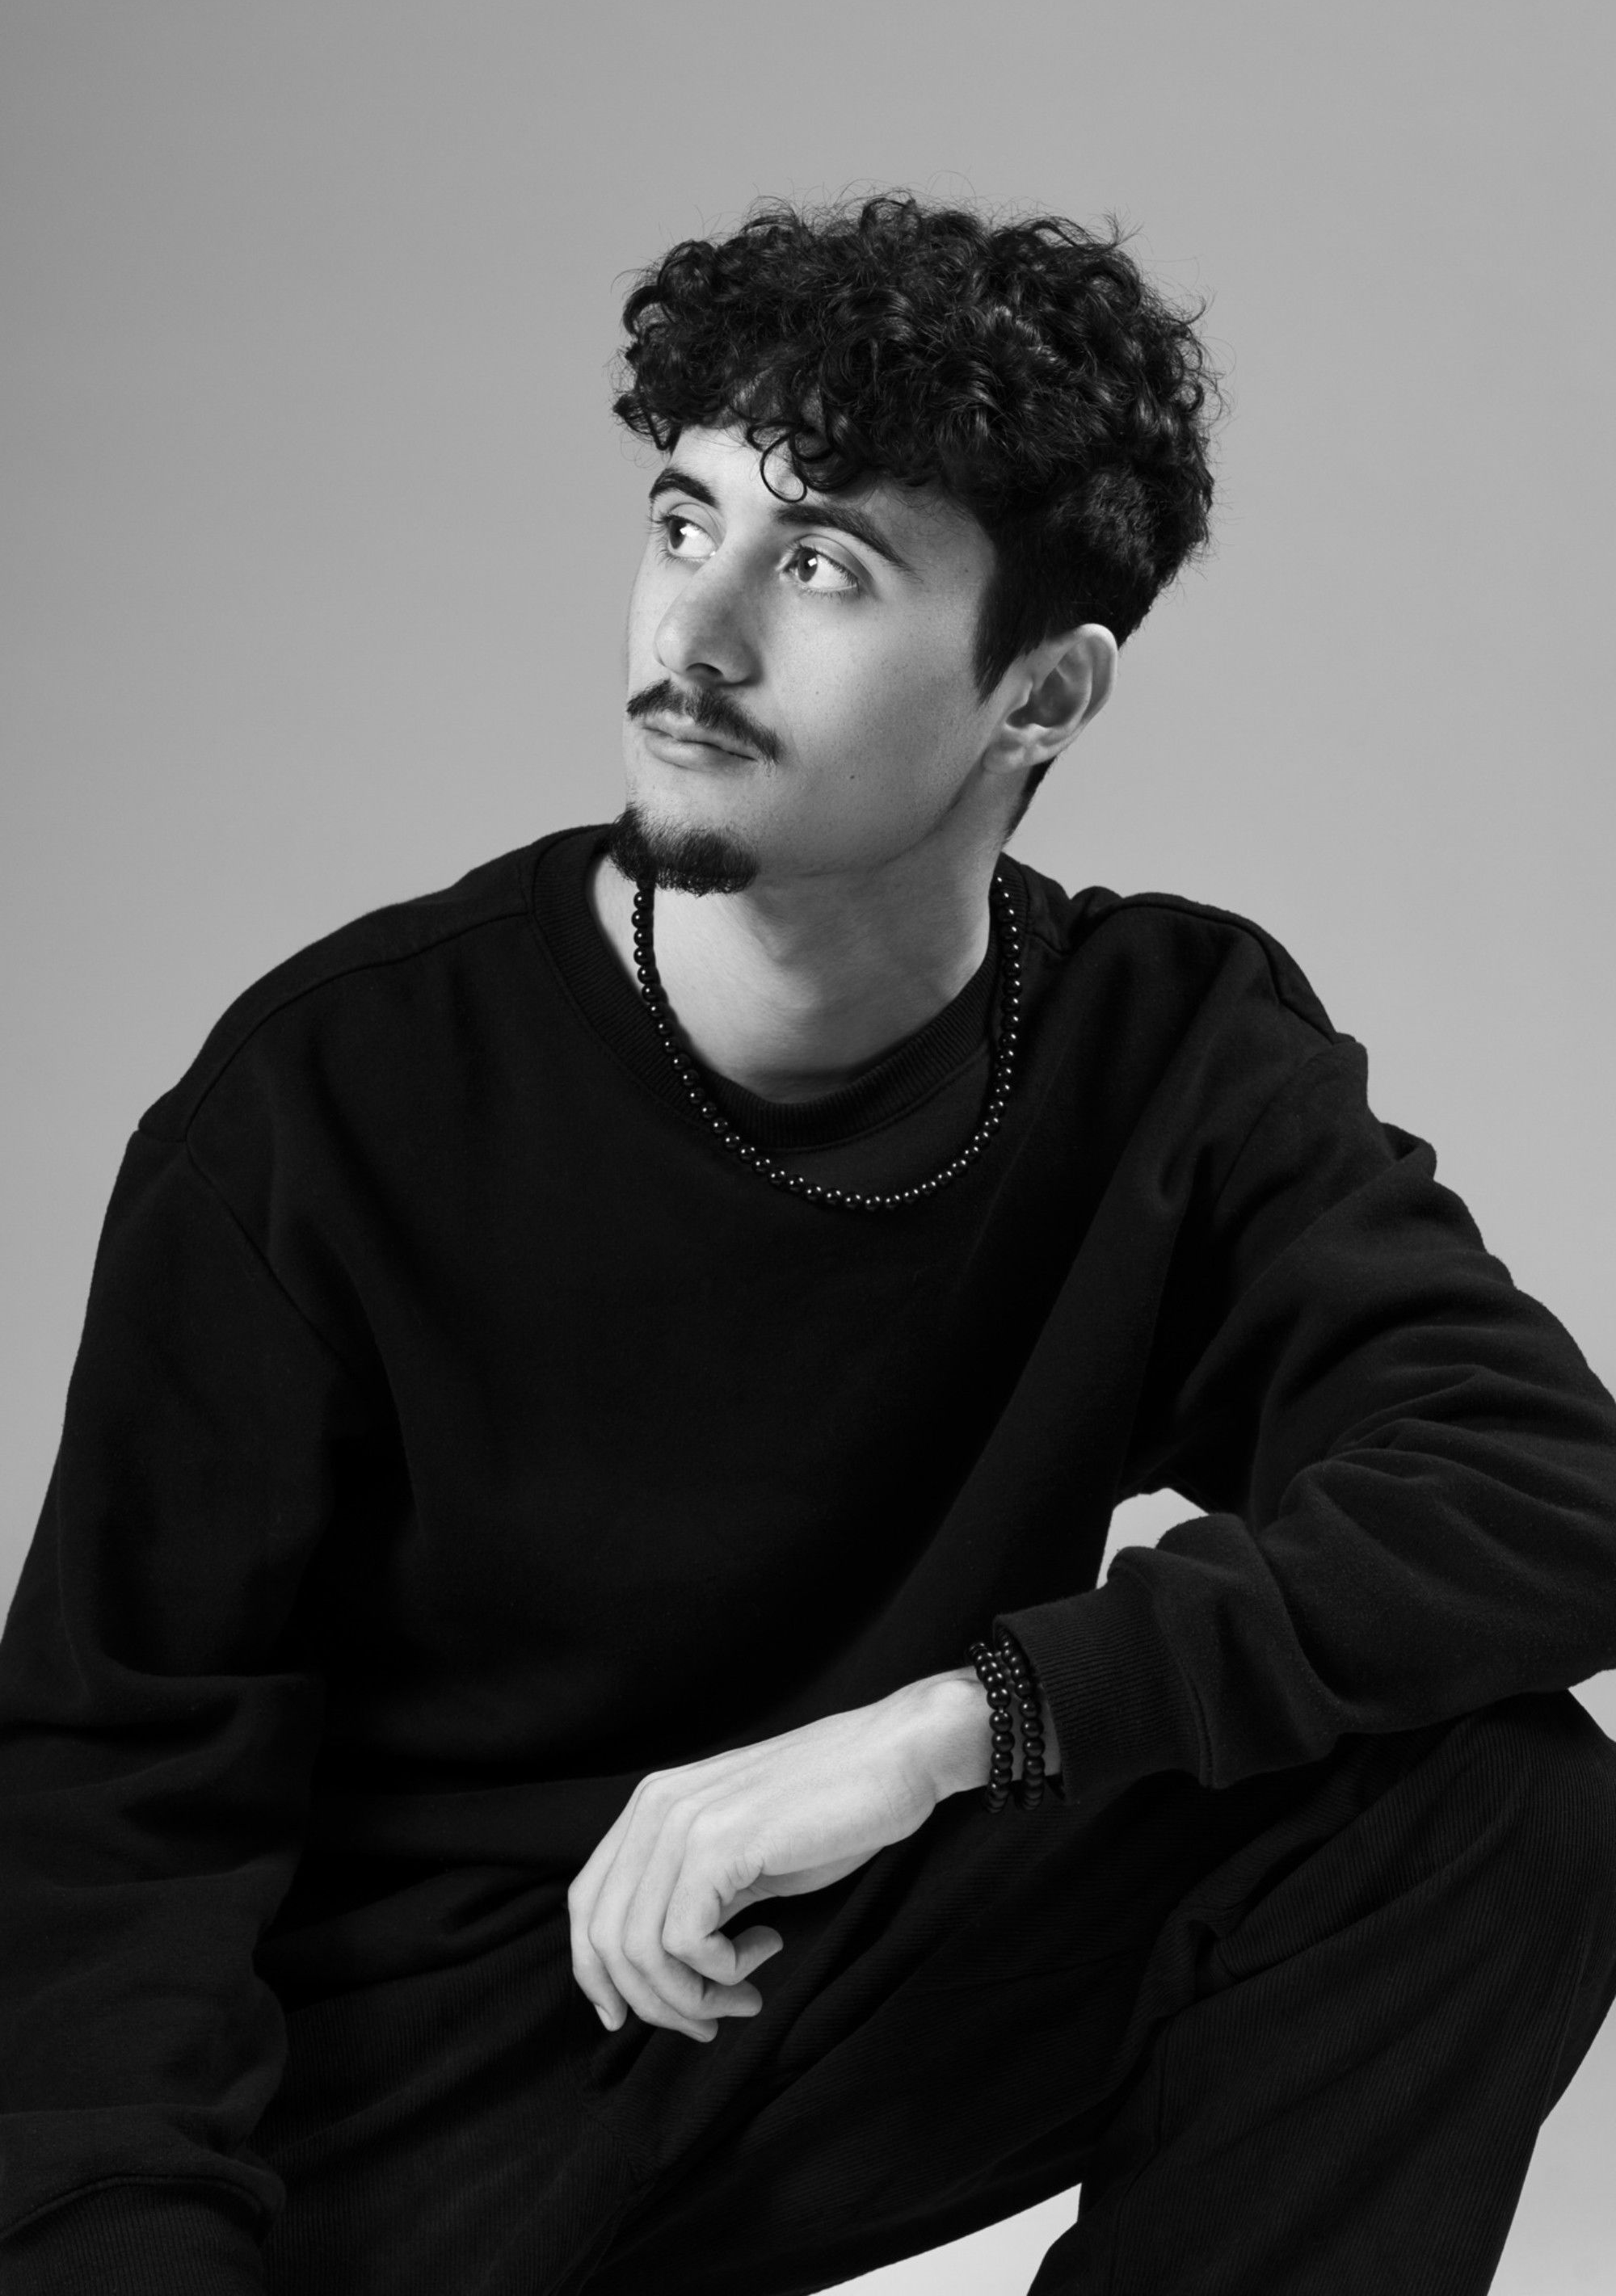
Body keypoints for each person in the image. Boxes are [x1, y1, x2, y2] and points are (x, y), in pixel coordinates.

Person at [2, 191, 1614, 2296]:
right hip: (378, 2128)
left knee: (1495, 1803)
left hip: (799, 1991)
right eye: (684, 523)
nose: (697, 634)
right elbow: (109, 1804)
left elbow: (1551, 1494)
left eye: (824, 565)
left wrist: (958, 1720)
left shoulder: (1164, 1056)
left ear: (1041, 690)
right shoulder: (330, 1103)